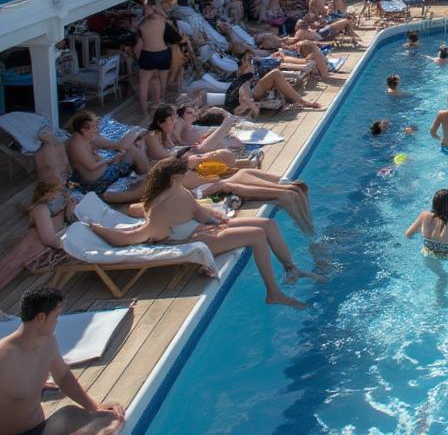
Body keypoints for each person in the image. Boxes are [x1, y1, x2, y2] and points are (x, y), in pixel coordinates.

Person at [86, 158, 318, 308]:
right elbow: (148, 236)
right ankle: (273, 293)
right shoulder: (159, 205)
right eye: (186, 171)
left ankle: (291, 269)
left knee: (268, 224)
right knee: (256, 236)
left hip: (203, 228)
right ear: (175, 177)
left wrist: (217, 219)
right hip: (192, 238)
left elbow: (197, 210)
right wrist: (98, 229)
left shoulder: (180, 190)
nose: (191, 172)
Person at [0, 287, 125, 435]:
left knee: (106, 418)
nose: (58, 321)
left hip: (41, 429)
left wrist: (94, 407)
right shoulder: (5, 357)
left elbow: (64, 377)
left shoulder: (48, 342)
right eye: (56, 315)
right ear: (41, 317)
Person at [66, 111, 150, 195]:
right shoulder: (76, 144)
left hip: (101, 173)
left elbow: (115, 146)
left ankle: (145, 175)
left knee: (133, 147)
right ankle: (148, 175)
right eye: (93, 126)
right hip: (97, 182)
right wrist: (110, 160)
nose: (96, 128)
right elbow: (91, 166)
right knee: (132, 151)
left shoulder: (85, 136)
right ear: (83, 129)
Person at [134, 0, 171, 115]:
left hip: (148, 54)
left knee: (143, 83)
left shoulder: (142, 25)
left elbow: (138, 46)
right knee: (161, 81)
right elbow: (163, 12)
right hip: (163, 53)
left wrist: (138, 58)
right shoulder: (162, 19)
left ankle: (144, 110)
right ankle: (160, 103)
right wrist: (153, 8)